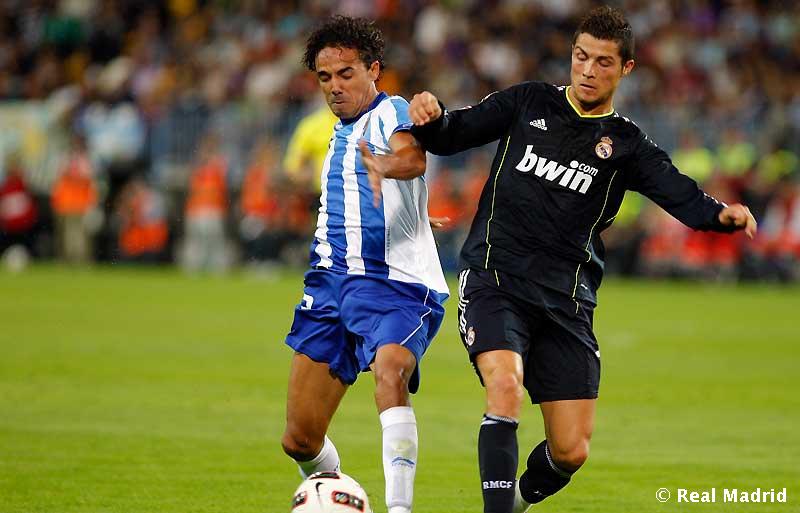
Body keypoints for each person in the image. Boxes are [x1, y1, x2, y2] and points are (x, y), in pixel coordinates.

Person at [408, 6, 757, 513]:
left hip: (565, 300)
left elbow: (678, 191)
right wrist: (431, 112)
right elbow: (451, 133)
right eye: (581, 57)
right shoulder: (529, 101)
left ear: (626, 68)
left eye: (603, 62)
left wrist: (719, 215)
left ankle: (516, 501)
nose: (588, 70)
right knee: (504, 386)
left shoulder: (627, 144)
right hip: (495, 278)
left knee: (570, 451)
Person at [280, 16, 448, 513]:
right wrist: (413, 211)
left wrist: (385, 166)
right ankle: (338, 496)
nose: (335, 86)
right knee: (299, 440)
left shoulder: (391, 111)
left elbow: (411, 159)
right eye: (325, 77)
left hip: (392, 284)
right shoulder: (337, 134)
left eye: (346, 73)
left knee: (390, 370)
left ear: (373, 70)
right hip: (330, 284)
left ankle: (399, 508)